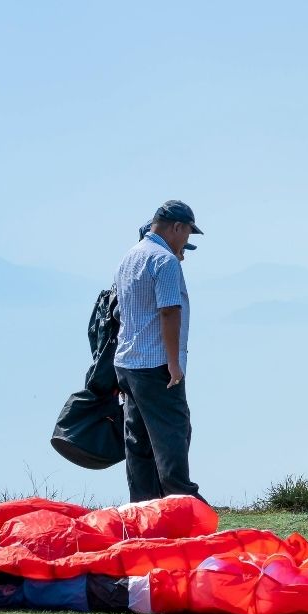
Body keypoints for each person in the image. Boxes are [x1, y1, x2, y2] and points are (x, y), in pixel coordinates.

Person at [112, 200, 205, 503]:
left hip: (127, 363)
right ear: (177, 227)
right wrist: (174, 365)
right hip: (156, 365)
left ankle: (144, 505)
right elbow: (168, 312)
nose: (186, 242)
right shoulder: (165, 261)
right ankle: (181, 501)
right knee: (172, 434)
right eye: (187, 234)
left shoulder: (129, 256)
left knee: (137, 441)